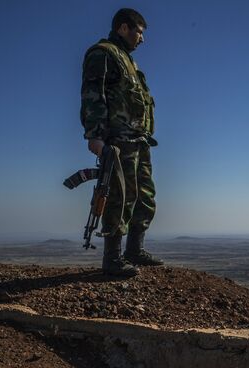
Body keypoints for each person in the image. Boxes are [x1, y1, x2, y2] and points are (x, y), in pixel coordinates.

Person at [80, 8, 163, 277]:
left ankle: (134, 250)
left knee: (144, 196)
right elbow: (94, 94)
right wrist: (94, 135)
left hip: (138, 142)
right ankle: (112, 259)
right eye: (139, 32)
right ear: (123, 28)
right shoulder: (103, 53)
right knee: (119, 196)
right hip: (117, 141)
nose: (142, 39)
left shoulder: (129, 62)